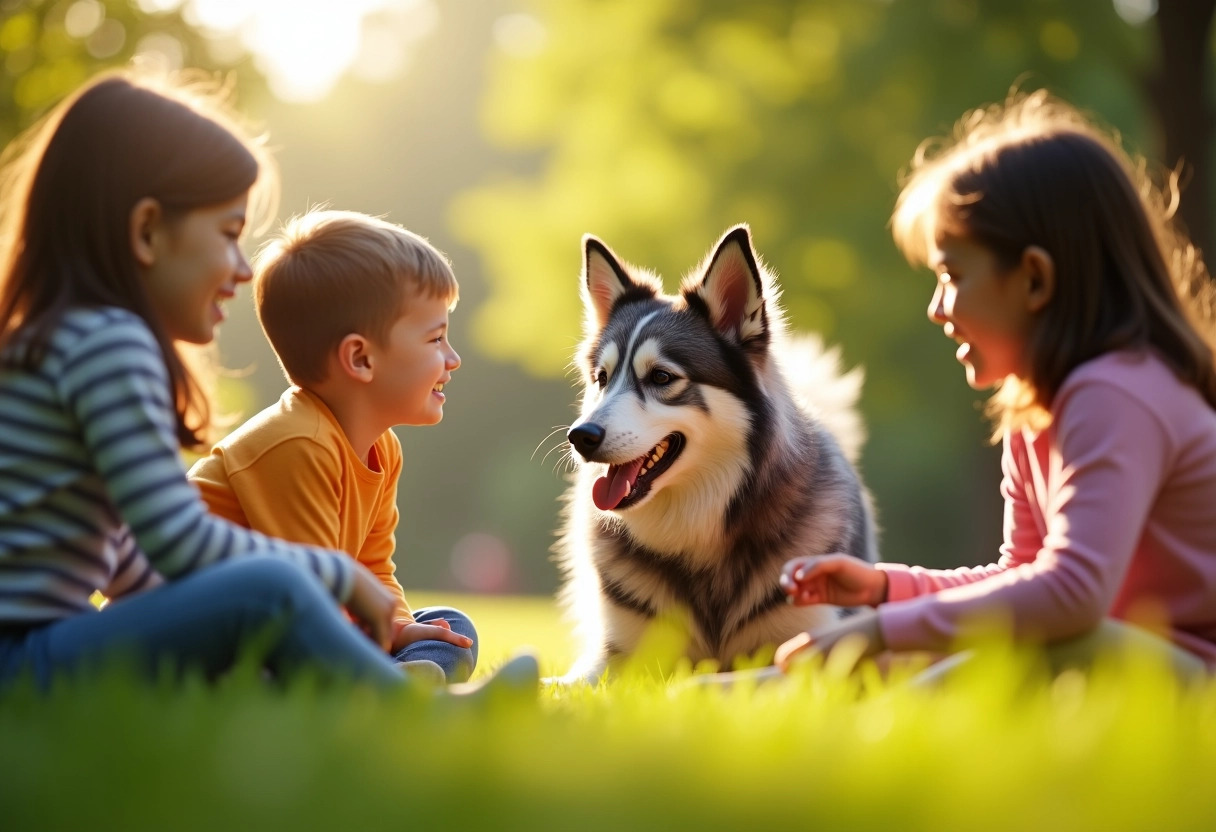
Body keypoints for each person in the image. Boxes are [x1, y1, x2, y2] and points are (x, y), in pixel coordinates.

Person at [0, 70, 536, 695]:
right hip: (24, 665)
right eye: (228, 234)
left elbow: (126, 560)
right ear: (147, 232)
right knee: (271, 588)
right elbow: (178, 543)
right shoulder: (106, 345)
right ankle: (415, 710)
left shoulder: (71, 342)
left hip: (41, 653)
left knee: (394, 615)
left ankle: (374, 680)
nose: (242, 268)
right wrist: (332, 576)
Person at [775, 89, 1216, 683]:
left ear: (1034, 279)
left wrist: (880, 633)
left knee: (1041, 647)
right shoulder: (1033, 410)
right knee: (1000, 643)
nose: (936, 308)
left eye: (952, 275)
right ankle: (735, 694)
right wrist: (888, 589)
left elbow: (1071, 596)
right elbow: (1024, 577)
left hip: (1193, 675)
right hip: (1121, 653)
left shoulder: (1116, 392)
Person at [188, 209, 479, 683]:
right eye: (436, 338)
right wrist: (380, 638)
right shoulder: (297, 443)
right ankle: (387, 689)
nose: (454, 358)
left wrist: (400, 627)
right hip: (202, 636)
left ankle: (391, 682)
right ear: (360, 358)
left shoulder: (382, 450)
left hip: (301, 622)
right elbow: (306, 598)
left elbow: (373, 568)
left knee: (450, 627)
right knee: (282, 663)